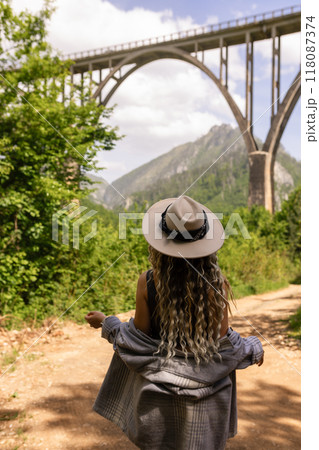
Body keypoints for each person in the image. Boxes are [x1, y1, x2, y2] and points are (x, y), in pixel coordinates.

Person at [85, 195, 264, 450]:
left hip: (156, 402)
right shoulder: (218, 285)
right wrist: (254, 347)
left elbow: (136, 342)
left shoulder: (149, 282)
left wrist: (107, 323)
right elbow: (224, 347)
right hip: (208, 406)